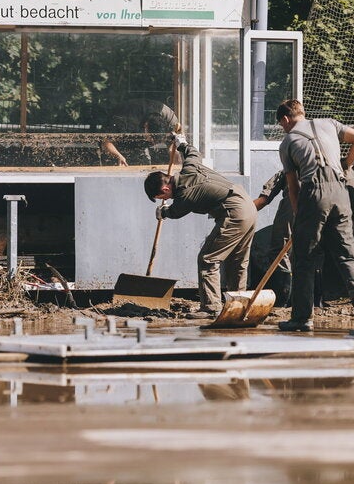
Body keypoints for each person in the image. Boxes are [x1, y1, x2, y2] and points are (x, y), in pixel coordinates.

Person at [275, 99, 354, 331]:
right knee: (347, 252)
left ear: (286, 119)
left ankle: (302, 317)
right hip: (340, 191)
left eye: (282, 124)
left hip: (313, 191)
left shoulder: (288, 141)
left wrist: (300, 218)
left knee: (305, 257)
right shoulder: (329, 123)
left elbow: (293, 187)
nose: (283, 128)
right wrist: (346, 164)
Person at [145, 133, 257, 320]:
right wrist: (182, 144)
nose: (164, 200)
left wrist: (162, 212)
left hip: (234, 212)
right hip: (248, 207)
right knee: (236, 261)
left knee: (207, 259)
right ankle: (239, 306)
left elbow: (176, 211)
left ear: (165, 189)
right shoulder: (190, 167)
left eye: (161, 198)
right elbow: (192, 153)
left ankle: (211, 307)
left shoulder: (184, 194)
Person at [252, 170, 293, 306]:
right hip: (319, 207)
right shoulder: (329, 166)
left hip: (292, 207)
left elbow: (264, 199)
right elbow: (264, 198)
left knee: (279, 252)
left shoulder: (289, 167)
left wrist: (242, 210)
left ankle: (284, 298)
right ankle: (312, 300)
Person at [103, 99, 181, 166]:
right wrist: (118, 156)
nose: (153, 143)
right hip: (122, 136)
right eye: (151, 139)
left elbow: (179, 134)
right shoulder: (125, 122)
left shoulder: (169, 118)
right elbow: (106, 142)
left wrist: (173, 150)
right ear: (146, 127)